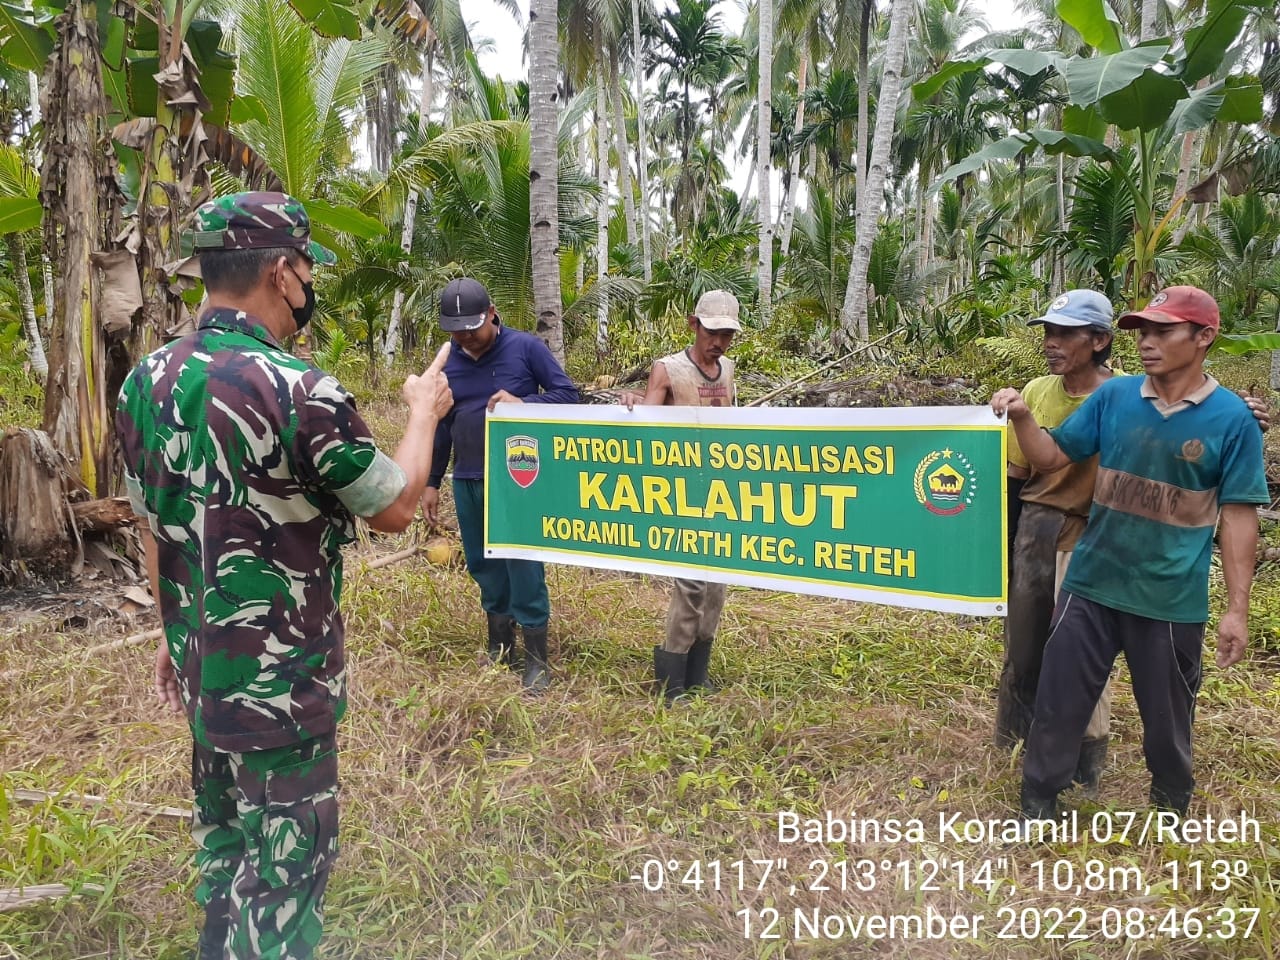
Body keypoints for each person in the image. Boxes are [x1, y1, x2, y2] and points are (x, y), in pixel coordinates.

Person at [115, 191, 453, 960]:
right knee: (286, 876)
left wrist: (173, 629)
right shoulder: (303, 392)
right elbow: (396, 507)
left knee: (224, 846)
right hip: (282, 688)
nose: (307, 283)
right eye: (305, 267)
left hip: (206, 668)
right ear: (281, 272)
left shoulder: (146, 383)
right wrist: (424, 411)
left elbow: (154, 522)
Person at [991, 286, 1268, 820]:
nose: (1147, 342)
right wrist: (1024, 416)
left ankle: (1169, 809)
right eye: (1142, 331)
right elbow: (1050, 457)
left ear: (1204, 338)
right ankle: (1037, 807)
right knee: (1058, 701)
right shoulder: (1115, 399)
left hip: (1168, 596)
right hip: (1092, 580)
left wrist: (1238, 609)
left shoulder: (1232, 420)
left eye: (1163, 331)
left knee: (1167, 717)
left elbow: (1238, 517)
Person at [420, 277, 578, 692]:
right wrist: (432, 481)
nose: (465, 339)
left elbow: (569, 396)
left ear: (492, 314)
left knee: (522, 565)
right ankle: (500, 645)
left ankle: (537, 658)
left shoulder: (526, 348)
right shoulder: (447, 360)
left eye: (472, 329)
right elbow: (440, 425)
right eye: (456, 332)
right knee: (481, 563)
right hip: (468, 476)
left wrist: (525, 403)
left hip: (518, 480)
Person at [996, 290, 1117, 792]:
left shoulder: (1126, 397)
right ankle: (1014, 738)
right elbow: (1017, 473)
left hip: (1094, 532)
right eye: (1049, 331)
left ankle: (1086, 761)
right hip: (1037, 528)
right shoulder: (1037, 391)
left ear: (1099, 341)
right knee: (1023, 640)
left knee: (1082, 649)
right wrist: (1004, 550)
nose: (1052, 342)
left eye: (1066, 333)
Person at [622, 290, 741, 701]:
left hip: (722, 491)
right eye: (713, 332)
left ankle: (698, 674)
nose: (720, 342)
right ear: (694, 325)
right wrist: (633, 403)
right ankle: (672, 679)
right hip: (681, 492)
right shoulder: (668, 369)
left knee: (717, 586)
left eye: (727, 335)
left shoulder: (727, 370)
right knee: (691, 585)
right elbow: (647, 426)